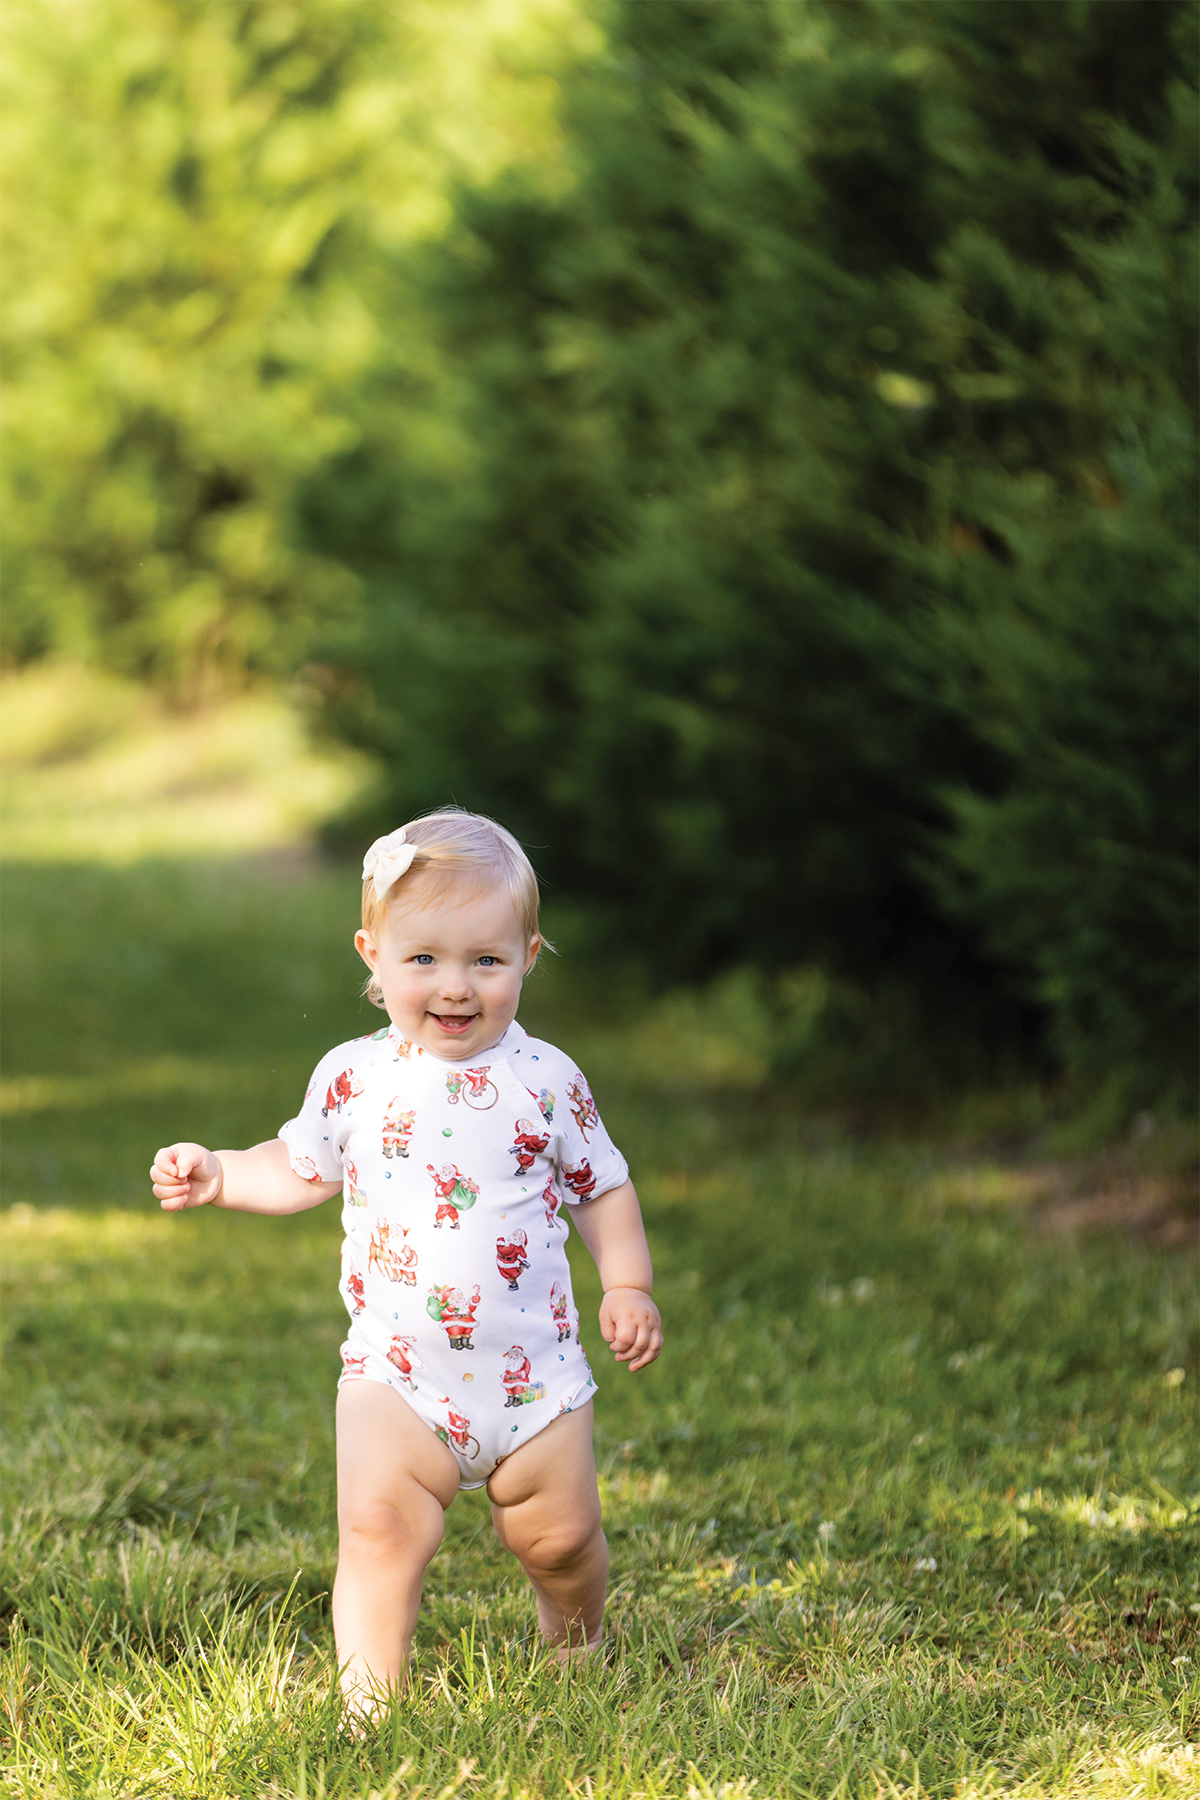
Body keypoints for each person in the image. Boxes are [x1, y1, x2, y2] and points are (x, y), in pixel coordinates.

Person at [149, 808, 663, 1715]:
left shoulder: (547, 1080)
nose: (456, 986)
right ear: (372, 955)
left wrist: (627, 1282)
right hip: (396, 1374)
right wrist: (223, 1174)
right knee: (378, 1531)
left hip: (533, 1381)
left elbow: (601, 1189)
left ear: (529, 956)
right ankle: (367, 1707)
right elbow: (299, 1165)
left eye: (486, 960)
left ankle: (579, 1659)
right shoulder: (354, 1076)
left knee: (562, 1541)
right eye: (423, 959)